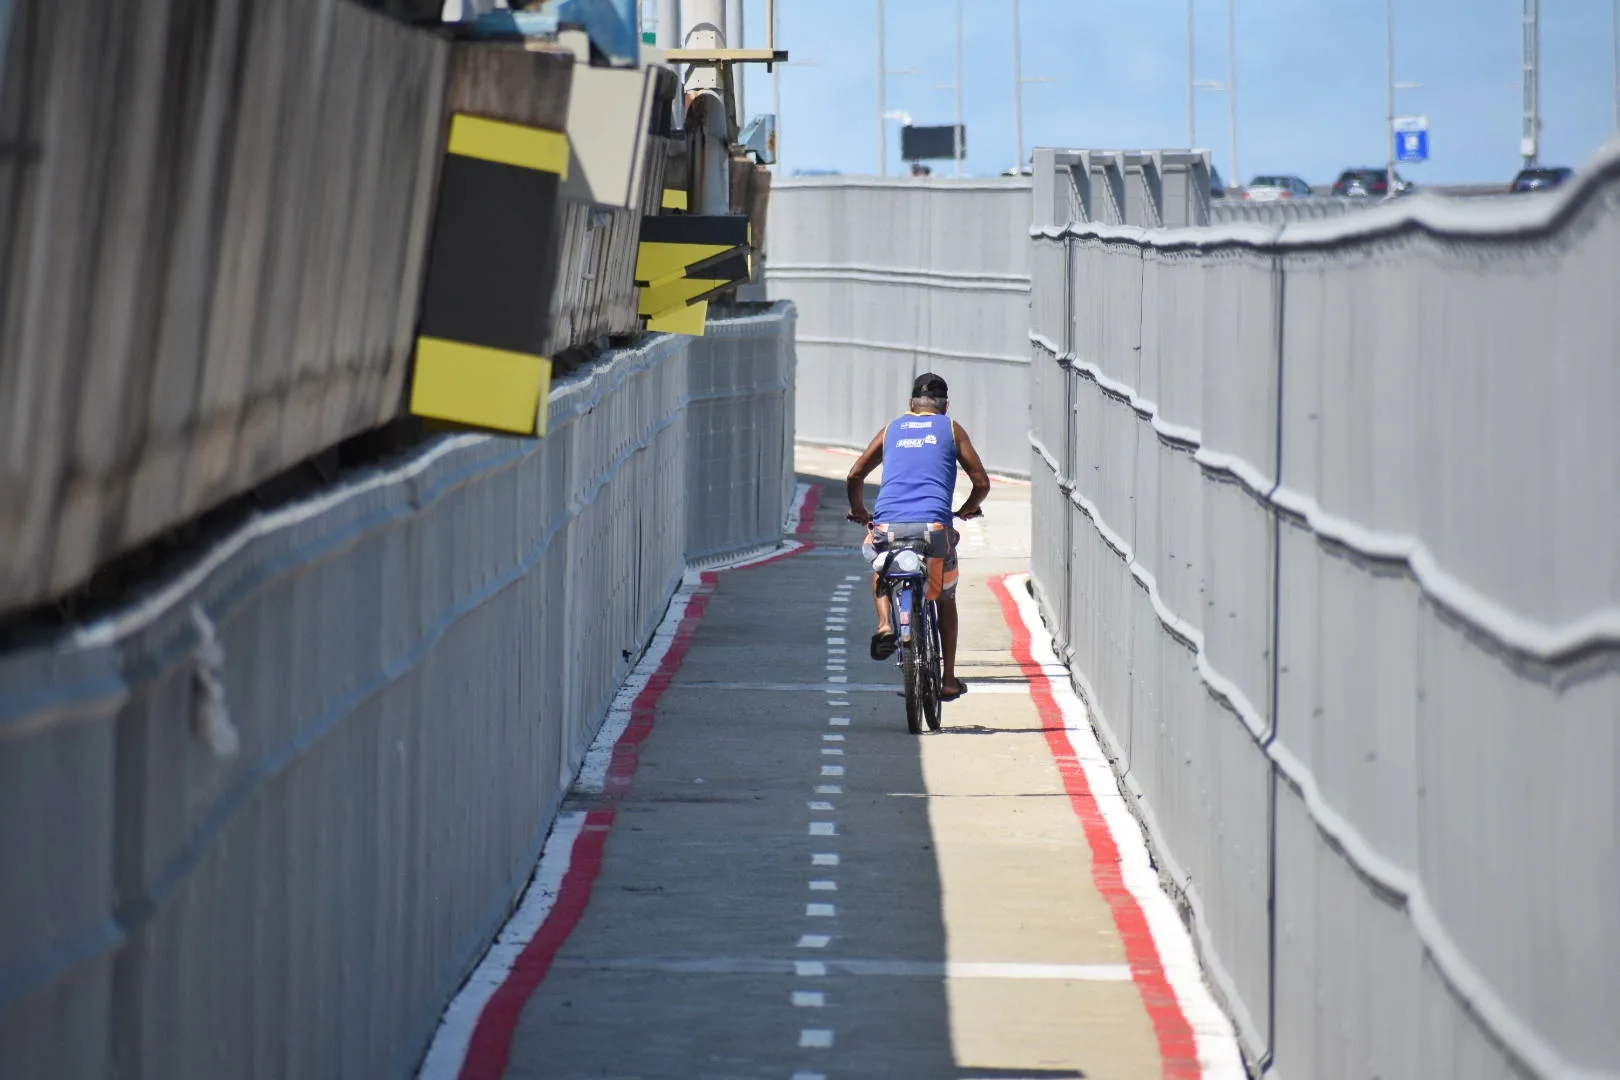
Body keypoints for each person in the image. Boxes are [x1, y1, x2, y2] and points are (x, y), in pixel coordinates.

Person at [844, 372, 991, 701]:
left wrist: (859, 511)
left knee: (880, 565)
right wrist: (967, 509)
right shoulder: (951, 429)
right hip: (934, 529)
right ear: (945, 406)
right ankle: (949, 679)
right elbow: (981, 483)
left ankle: (885, 624)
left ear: (911, 404)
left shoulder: (892, 429)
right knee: (946, 597)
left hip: (888, 527)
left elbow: (855, 474)